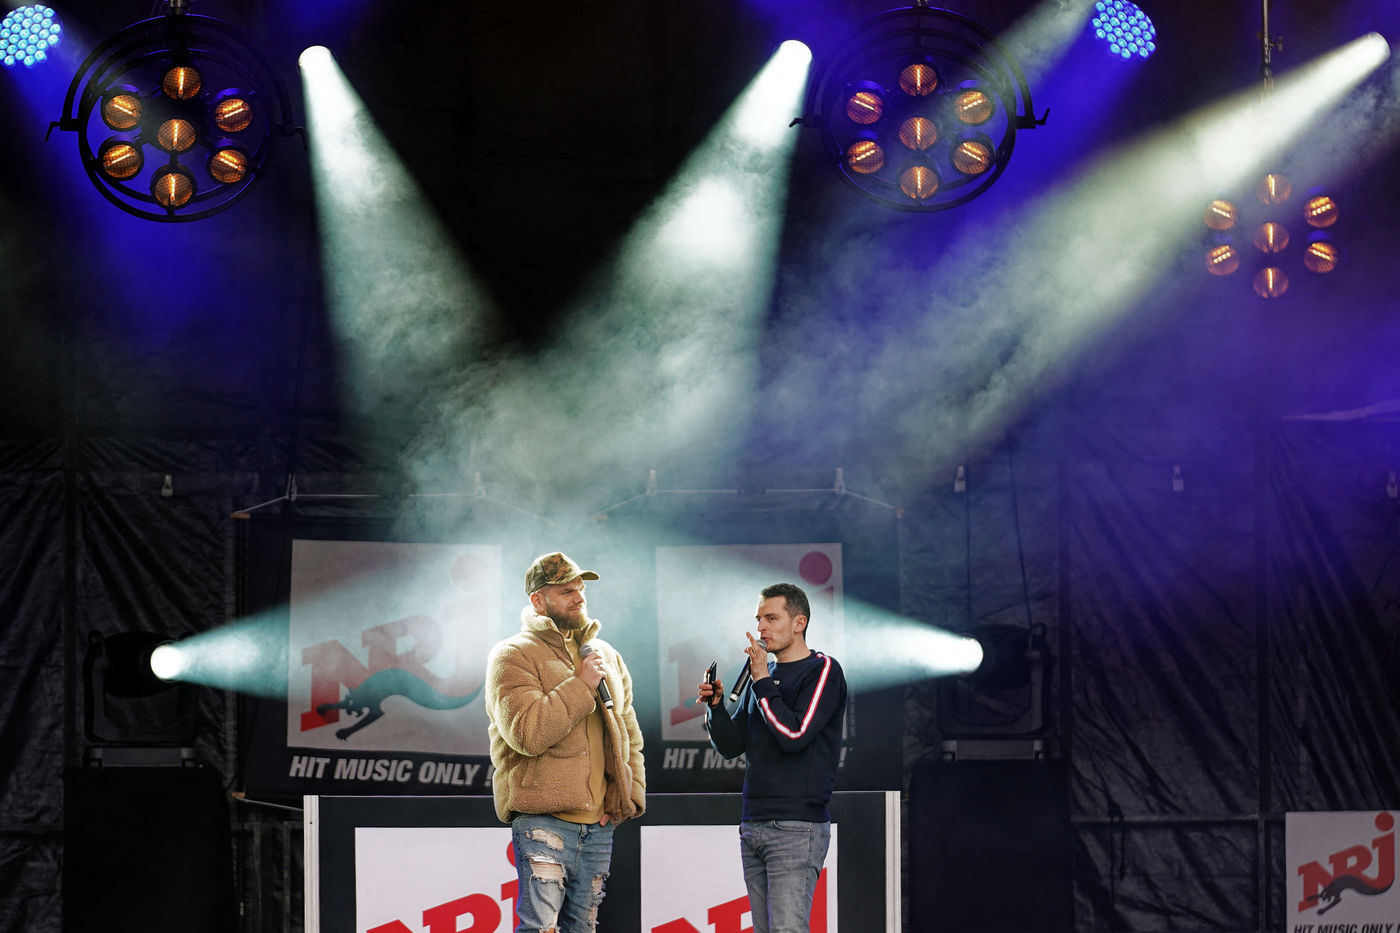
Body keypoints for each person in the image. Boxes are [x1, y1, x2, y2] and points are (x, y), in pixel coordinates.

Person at [485, 552, 646, 933]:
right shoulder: (513, 655)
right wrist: (580, 685)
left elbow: (629, 733)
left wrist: (628, 795)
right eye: (566, 591)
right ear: (538, 601)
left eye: (580, 589)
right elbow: (527, 733)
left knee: (583, 929)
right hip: (544, 822)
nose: (578, 598)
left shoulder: (606, 655)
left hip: (599, 827)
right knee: (540, 928)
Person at [697, 582, 847, 933]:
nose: (761, 628)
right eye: (758, 619)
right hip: (754, 822)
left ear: (799, 623)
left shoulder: (822, 670)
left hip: (796, 824)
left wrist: (763, 680)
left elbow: (794, 735)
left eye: (771, 618)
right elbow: (732, 745)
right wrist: (716, 708)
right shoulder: (760, 677)